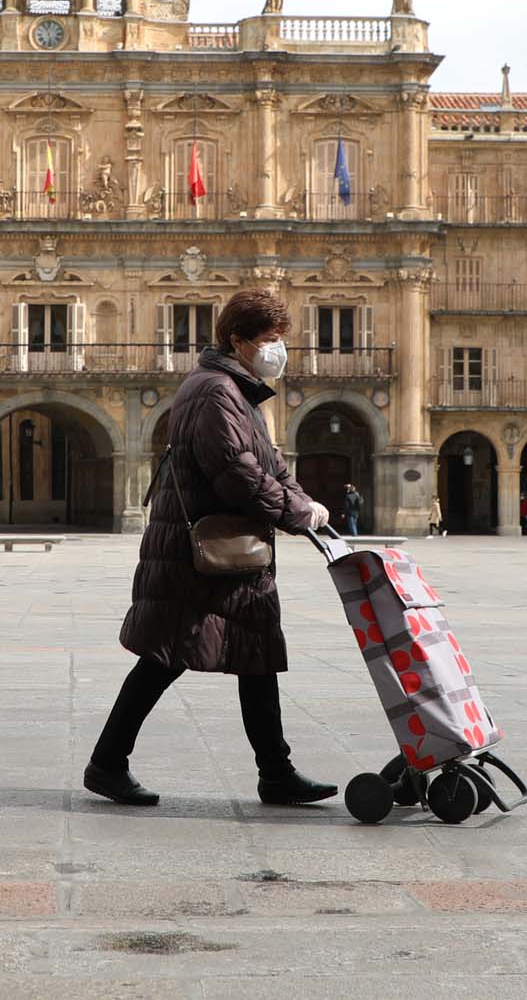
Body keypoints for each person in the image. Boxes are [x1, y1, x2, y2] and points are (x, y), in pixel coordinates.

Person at [85, 289, 337, 808]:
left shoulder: (237, 390)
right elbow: (236, 474)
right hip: (201, 554)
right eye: (269, 341)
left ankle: (276, 772)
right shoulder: (216, 391)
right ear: (237, 340)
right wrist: (293, 514)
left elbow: (268, 462)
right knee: (165, 658)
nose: (278, 351)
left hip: (222, 555)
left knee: (254, 655)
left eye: (280, 341)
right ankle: (107, 764)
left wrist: (304, 501)